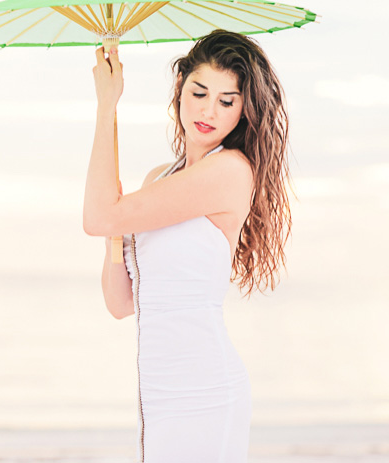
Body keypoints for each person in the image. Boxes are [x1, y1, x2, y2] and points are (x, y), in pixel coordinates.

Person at [83, 29, 291, 463]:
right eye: (199, 92)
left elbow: (97, 214)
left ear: (242, 111)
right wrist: (116, 231)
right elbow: (121, 302)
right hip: (157, 392)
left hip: (205, 391)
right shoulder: (160, 177)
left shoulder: (230, 172)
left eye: (226, 101)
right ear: (179, 89)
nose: (208, 111)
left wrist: (107, 105)